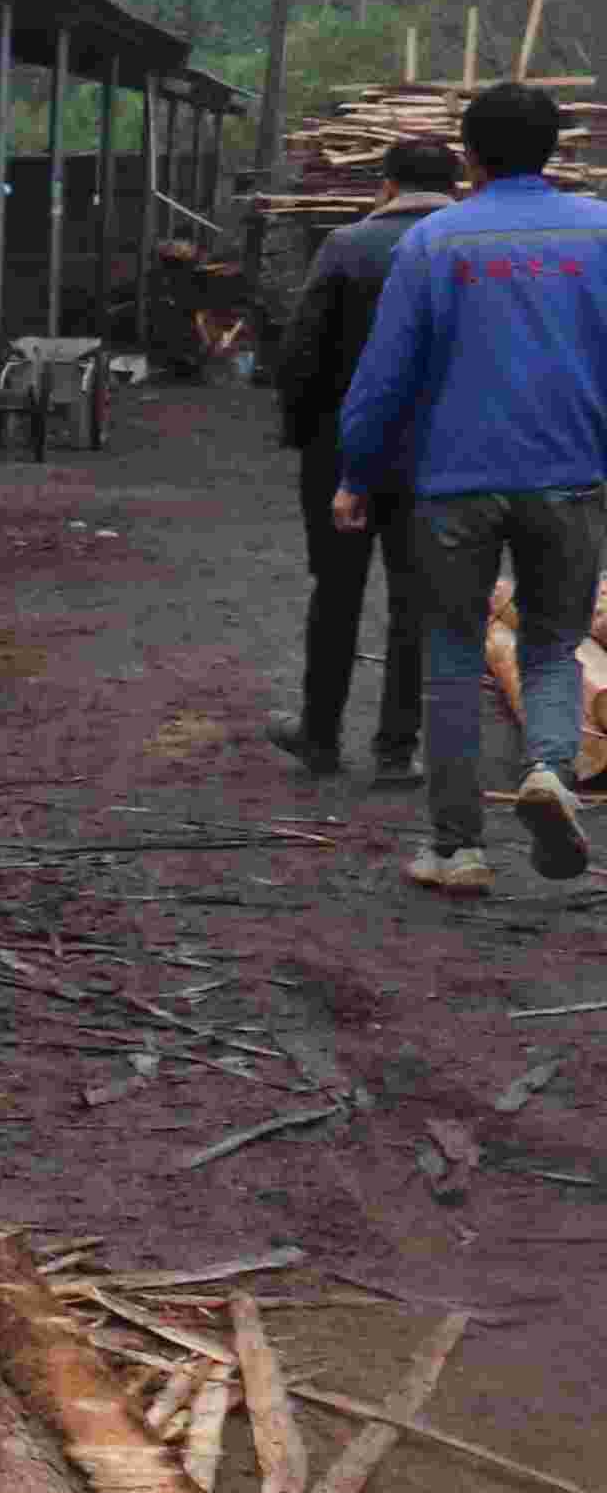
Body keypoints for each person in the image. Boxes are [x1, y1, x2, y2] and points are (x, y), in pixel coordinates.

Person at [330, 78, 607, 895]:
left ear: (470, 155)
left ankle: (457, 849)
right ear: (553, 148)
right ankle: (553, 768)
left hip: (453, 485)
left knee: (451, 655)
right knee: (554, 645)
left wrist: (357, 472)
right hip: (569, 475)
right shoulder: (600, 232)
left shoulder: (436, 242)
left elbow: (386, 376)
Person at [276, 138, 461, 782]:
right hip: (439, 454)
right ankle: (396, 749)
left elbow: (302, 351)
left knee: (336, 591)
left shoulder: (348, 246)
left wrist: (301, 432)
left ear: (386, 184)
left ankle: (321, 738)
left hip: (342, 446)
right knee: (416, 601)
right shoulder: (467, 249)